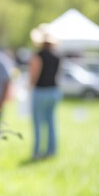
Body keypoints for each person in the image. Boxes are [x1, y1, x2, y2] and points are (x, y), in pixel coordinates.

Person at [29, 27, 62, 160]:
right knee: (51, 122)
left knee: (37, 123)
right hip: (53, 91)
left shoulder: (38, 56)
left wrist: (30, 87)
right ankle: (51, 150)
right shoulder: (57, 57)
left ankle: (37, 151)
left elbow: (34, 74)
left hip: (40, 91)